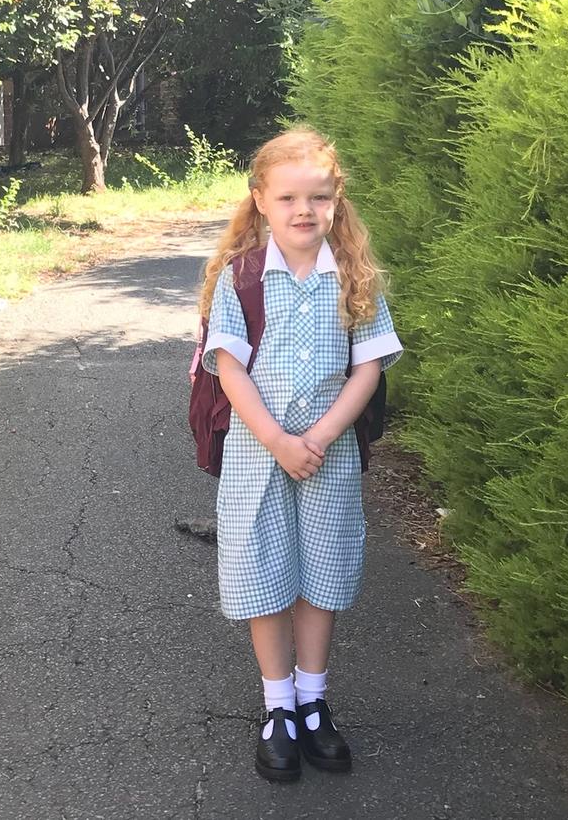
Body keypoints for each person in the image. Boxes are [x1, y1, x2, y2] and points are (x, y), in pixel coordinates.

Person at [197, 126, 403, 782]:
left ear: (337, 199)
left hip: (329, 458)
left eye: (318, 196)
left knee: (321, 575)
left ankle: (313, 703)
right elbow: (229, 369)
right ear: (260, 199)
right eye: (287, 197)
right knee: (266, 577)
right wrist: (281, 441)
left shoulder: (356, 279)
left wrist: (316, 439)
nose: (303, 210)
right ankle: (278, 708)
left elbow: (366, 371)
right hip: (259, 458)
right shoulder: (243, 278)